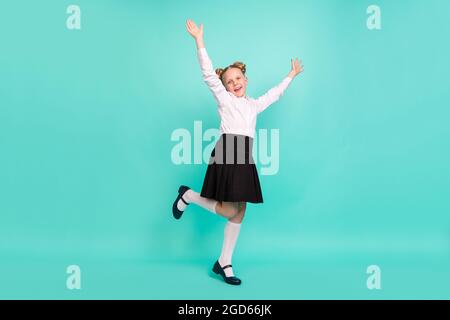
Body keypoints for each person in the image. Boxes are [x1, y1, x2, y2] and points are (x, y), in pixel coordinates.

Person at [172, 19, 304, 285]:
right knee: (228, 209)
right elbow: (209, 74)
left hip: (244, 155)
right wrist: (199, 40)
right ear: (226, 86)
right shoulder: (225, 100)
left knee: (240, 211)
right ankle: (189, 196)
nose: (234, 83)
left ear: (246, 79)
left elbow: (274, 95)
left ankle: (224, 262)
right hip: (228, 152)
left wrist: (290, 76)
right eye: (229, 81)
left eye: (237, 79)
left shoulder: (253, 105)